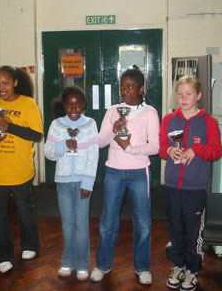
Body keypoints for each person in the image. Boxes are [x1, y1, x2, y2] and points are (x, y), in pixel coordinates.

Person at [91, 65, 160, 285]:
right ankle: (103, 264)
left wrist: (130, 148)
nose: (125, 92)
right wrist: (113, 129)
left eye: (130, 87)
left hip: (139, 172)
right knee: (108, 221)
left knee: (142, 223)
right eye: (122, 87)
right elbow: (99, 142)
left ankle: (142, 267)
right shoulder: (113, 111)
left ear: (141, 89)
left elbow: (156, 146)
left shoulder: (150, 112)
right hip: (114, 171)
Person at [0, 66, 43, 274]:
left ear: (15, 82)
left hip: (20, 170)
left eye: (5, 83)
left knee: (25, 211)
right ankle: (1, 255)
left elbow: (36, 135)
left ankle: (30, 245)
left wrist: (9, 127)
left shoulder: (28, 104)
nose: (0, 88)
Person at [159, 75, 222, 291]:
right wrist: (169, 150)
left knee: (193, 231)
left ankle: (192, 270)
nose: (183, 98)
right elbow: (161, 148)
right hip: (173, 185)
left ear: (199, 96)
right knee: (175, 228)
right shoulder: (168, 120)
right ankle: (178, 266)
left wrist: (197, 149)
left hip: (195, 187)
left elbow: (216, 150)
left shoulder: (208, 122)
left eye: (188, 94)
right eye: (180, 94)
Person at [44, 85, 99, 280]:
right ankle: (67, 261)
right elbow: (48, 152)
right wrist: (63, 145)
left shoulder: (90, 124)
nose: (73, 109)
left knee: (81, 225)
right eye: (69, 105)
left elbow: (94, 156)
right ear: (64, 105)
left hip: (83, 183)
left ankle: (83, 264)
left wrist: (88, 183)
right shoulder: (57, 125)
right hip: (64, 183)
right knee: (67, 225)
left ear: (83, 105)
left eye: (77, 105)